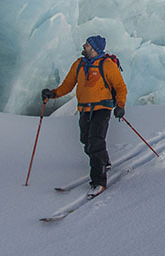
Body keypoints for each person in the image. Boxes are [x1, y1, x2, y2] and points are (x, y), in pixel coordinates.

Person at [42, 36, 127, 192]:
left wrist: (120, 105)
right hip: (84, 109)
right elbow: (67, 85)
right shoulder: (79, 64)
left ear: (94, 49)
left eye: (87, 45)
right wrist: (53, 94)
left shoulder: (107, 65)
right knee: (86, 142)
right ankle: (104, 161)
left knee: (95, 143)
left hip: (102, 109)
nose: (84, 46)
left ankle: (98, 182)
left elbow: (120, 87)